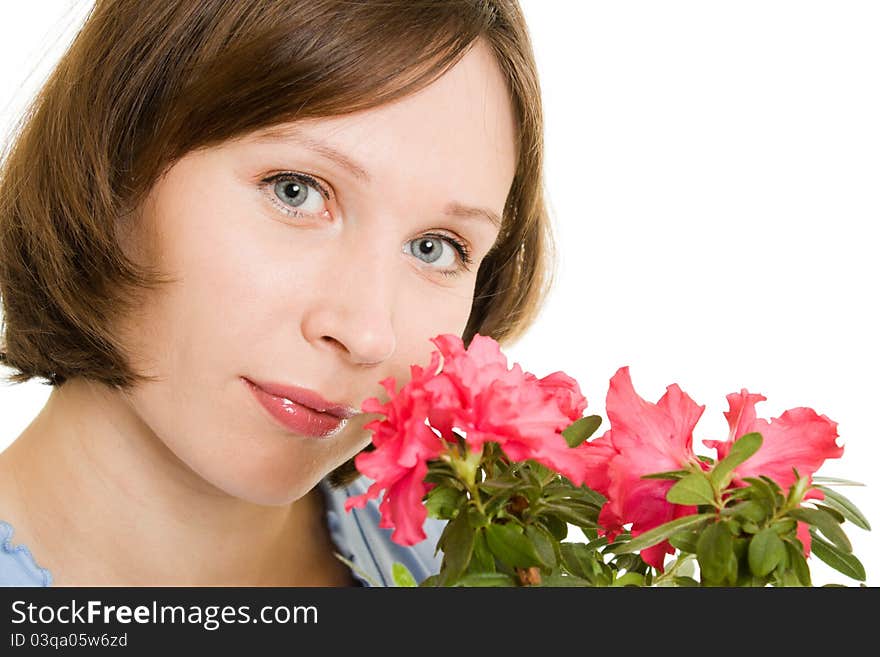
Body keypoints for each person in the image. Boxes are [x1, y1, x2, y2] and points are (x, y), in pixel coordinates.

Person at [0, 0, 555, 587]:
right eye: (296, 191)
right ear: (115, 161)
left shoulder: (479, 554)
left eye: (436, 248)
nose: (367, 333)